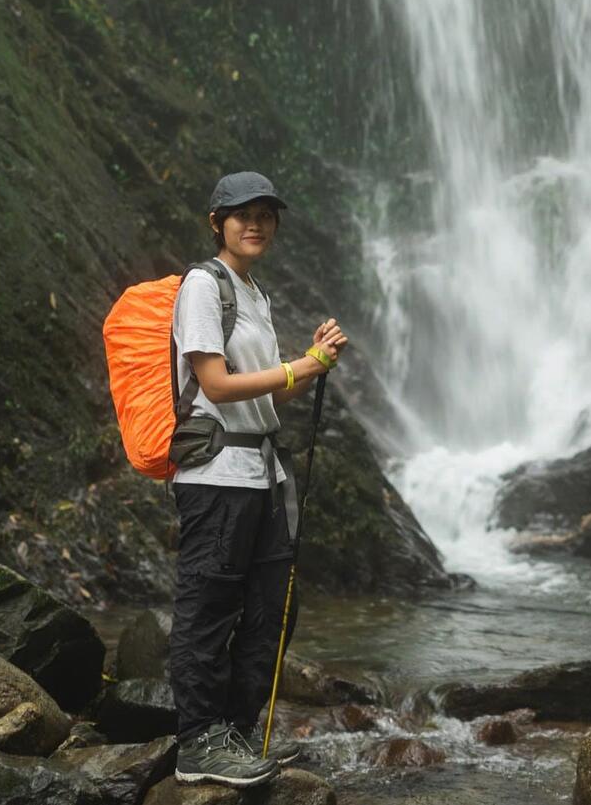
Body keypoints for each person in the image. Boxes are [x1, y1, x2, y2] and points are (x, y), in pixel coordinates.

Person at [170, 170, 348, 788]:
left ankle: (241, 731)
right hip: (216, 475)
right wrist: (303, 366)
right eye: (242, 213)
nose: (255, 223)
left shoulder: (256, 295)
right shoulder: (204, 285)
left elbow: (263, 402)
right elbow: (215, 386)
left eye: (266, 214)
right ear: (216, 222)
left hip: (264, 475)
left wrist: (311, 362)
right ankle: (197, 743)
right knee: (208, 606)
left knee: (271, 609)